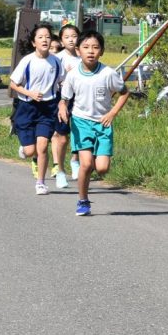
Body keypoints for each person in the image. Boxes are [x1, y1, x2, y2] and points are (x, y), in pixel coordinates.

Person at [58, 31, 129, 216]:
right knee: (86, 164)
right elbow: (64, 98)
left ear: (102, 51)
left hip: (103, 123)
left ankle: (90, 178)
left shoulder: (108, 73)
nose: (91, 51)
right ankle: (83, 200)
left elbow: (124, 92)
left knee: (103, 168)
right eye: (86, 47)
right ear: (78, 50)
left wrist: (113, 113)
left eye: (95, 48)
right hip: (81, 122)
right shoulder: (73, 75)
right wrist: (62, 107)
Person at [8, 24, 64, 195]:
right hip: (27, 107)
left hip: (48, 108)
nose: (45, 40)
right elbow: (13, 84)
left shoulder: (56, 61)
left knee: (42, 147)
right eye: (40, 37)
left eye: (47, 36)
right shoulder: (27, 61)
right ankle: (24, 149)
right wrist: (30, 93)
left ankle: (40, 182)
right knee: (30, 150)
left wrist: (63, 103)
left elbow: (63, 82)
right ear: (34, 42)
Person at [50, 23, 81, 189]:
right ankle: (60, 170)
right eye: (67, 37)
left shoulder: (84, 56)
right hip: (60, 99)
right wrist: (65, 77)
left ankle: (75, 160)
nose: (71, 40)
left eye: (74, 36)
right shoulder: (57, 58)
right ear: (61, 40)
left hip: (81, 100)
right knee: (61, 135)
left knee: (78, 132)